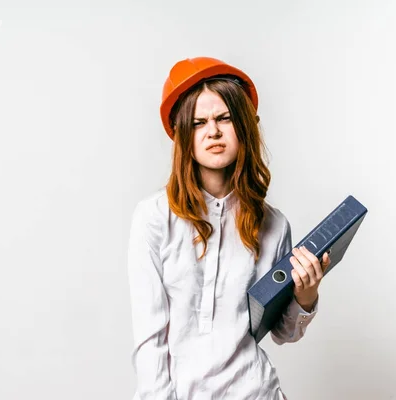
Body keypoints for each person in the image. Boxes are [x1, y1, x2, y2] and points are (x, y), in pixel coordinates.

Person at [127, 56, 331, 400]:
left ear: (245, 126)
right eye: (199, 122)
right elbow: (150, 339)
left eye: (224, 118)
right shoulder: (153, 217)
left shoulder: (274, 224)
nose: (214, 132)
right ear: (181, 134)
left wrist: (306, 295)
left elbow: (282, 333)